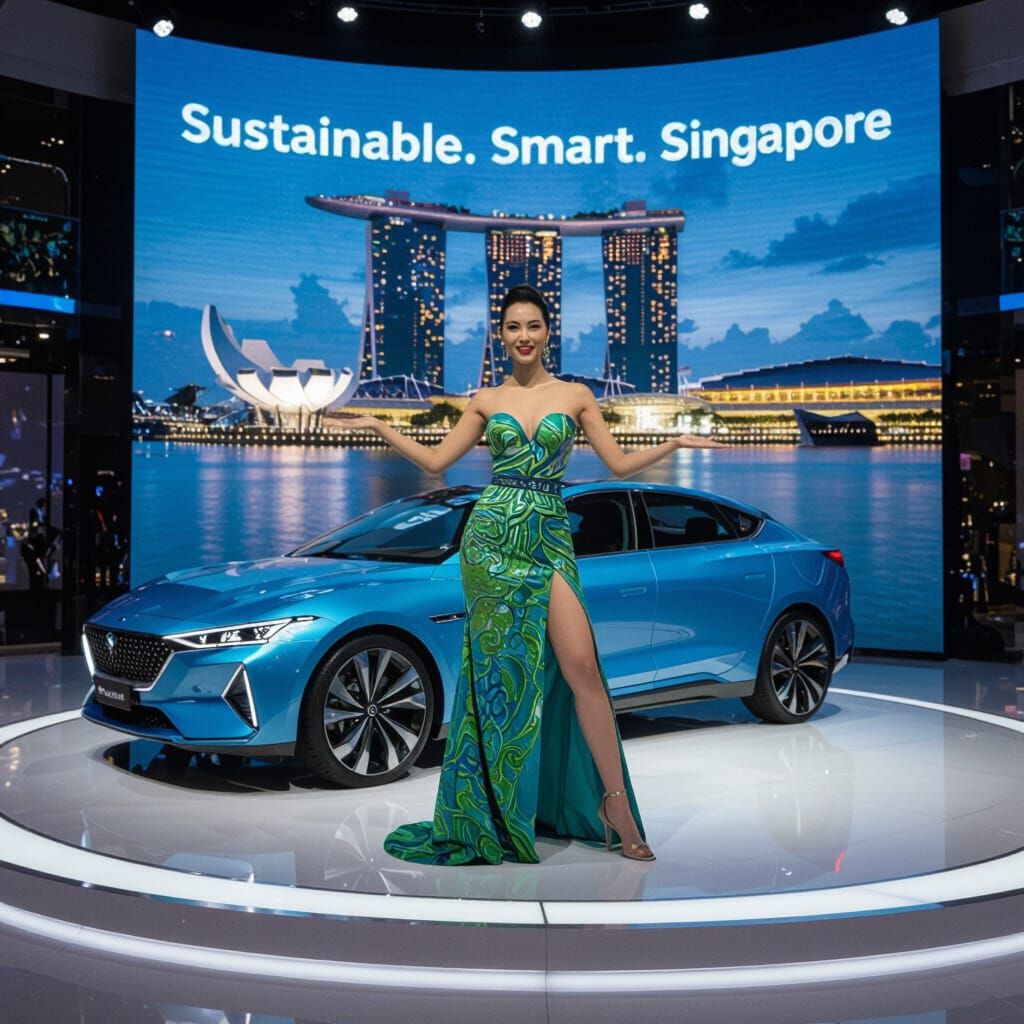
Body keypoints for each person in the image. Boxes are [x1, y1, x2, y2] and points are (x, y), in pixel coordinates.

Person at [338, 284, 723, 865]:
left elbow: (616, 464)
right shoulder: (484, 399)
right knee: (498, 681)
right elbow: (437, 462)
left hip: (547, 534)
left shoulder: (576, 396)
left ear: (549, 332)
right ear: (502, 334)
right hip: (491, 541)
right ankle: (493, 809)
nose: (523, 336)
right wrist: (378, 426)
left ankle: (614, 803)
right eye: (513, 327)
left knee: (581, 667)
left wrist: (670, 441)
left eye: (533, 326)